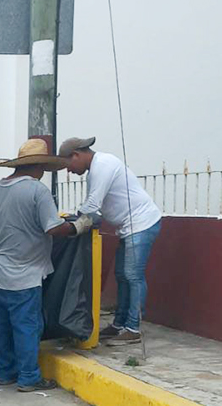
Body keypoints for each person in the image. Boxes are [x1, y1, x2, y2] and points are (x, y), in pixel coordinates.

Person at [0, 139, 92, 392]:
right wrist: (76, 227)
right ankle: (29, 377)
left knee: (2, 327)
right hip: (25, 275)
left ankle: (5, 373)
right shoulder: (37, 191)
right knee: (27, 327)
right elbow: (53, 228)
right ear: (40, 166)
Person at [58, 137, 162, 345]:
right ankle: (119, 323)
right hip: (129, 227)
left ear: (76, 155)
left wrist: (74, 222)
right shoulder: (95, 170)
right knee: (122, 275)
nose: (69, 171)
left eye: (68, 165)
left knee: (133, 275)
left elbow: (92, 204)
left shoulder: (102, 166)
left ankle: (133, 328)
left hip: (141, 223)